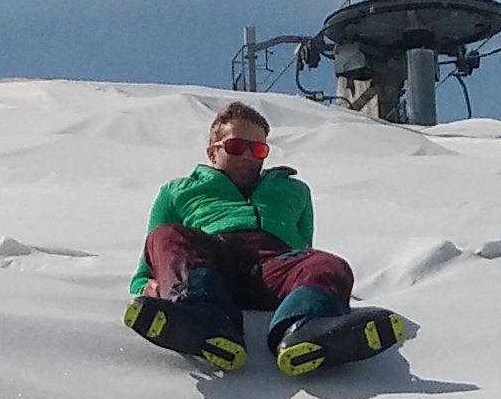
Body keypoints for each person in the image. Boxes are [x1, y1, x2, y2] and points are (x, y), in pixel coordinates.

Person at [130, 102, 387, 375]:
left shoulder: (295, 191)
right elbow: (149, 262)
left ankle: (304, 329)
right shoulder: (178, 190)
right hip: (214, 266)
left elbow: (304, 249)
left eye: (258, 150)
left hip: (273, 266)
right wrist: (150, 286)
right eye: (236, 147)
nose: (248, 156)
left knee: (327, 264)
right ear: (212, 152)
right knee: (167, 235)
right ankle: (206, 318)